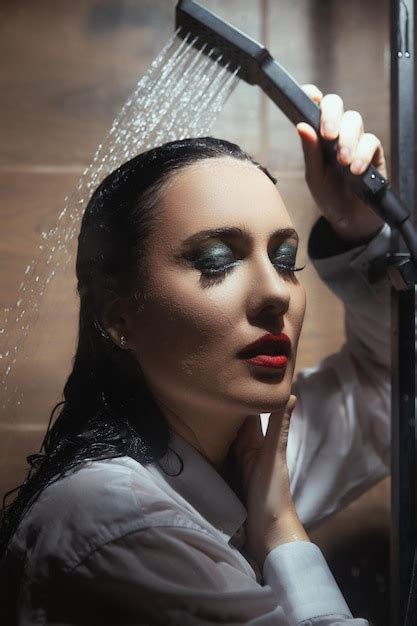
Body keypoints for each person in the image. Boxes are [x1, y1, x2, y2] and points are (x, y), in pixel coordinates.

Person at [0, 86, 390, 625]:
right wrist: (279, 527)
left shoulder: (249, 453)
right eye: (215, 260)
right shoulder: (116, 521)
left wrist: (358, 228)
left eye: (284, 259)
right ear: (118, 315)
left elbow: (391, 389)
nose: (276, 292)